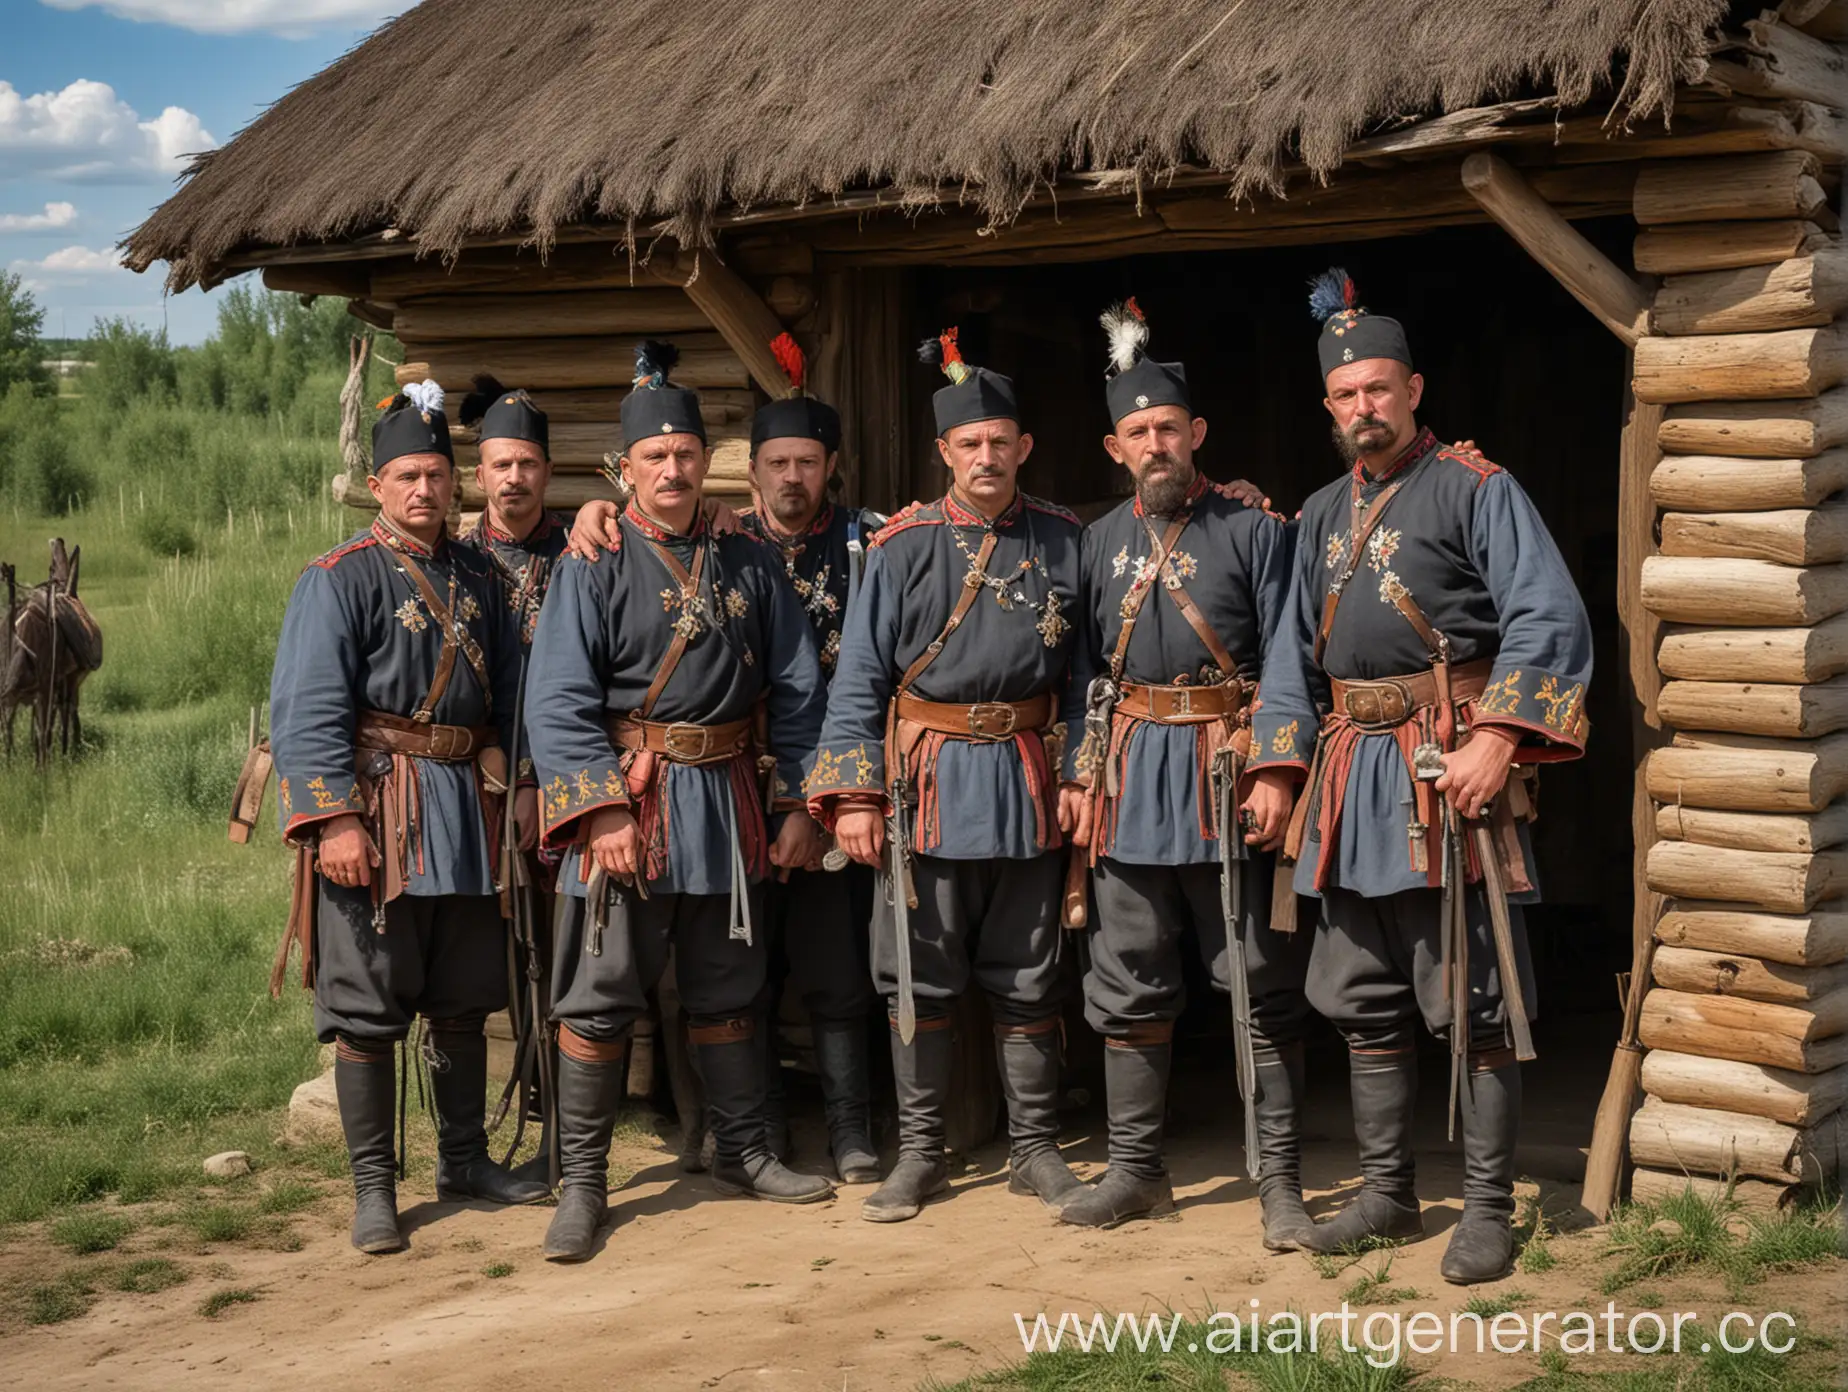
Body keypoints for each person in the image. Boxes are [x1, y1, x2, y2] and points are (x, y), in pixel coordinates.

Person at [1246, 270, 1593, 1283]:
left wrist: (1499, 739)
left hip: (1448, 765)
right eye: (1347, 394)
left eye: (1381, 389)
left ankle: (1486, 1208)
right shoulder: (1314, 516)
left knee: (1475, 994)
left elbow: (1548, 614)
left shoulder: (1479, 488)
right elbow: (1287, 657)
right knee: (1360, 993)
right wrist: (1278, 765)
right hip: (1350, 778)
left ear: (1414, 389)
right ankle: (1389, 1197)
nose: (1366, 406)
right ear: (1330, 407)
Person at [524, 341, 836, 1263]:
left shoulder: (748, 558)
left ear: (709, 461)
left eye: (687, 454)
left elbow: (799, 685)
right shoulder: (592, 560)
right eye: (654, 457)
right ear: (624, 469)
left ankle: (741, 1152)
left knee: (729, 986)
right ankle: (584, 1186)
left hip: (729, 802)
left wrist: (799, 806)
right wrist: (601, 812)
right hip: (631, 806)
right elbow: (556, 699)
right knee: (600, 992)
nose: (672, 468)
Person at [806, 329, 1085, 1224]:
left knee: (1031, 972)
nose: (987, 458)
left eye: (1001, 443)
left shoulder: (1066, 540)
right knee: (915, 976)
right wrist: (852, 795)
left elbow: (1086, 678)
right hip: (924, 790)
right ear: (945, 454)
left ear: (1024, 448)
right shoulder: (898, 547)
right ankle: (920, 1152)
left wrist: (1081, 775)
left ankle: (1035, 1148)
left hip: (1031, 782)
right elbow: (858, 682)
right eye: (970, 445)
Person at [269, 381, 550, 1255]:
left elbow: (507, 686)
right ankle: (373, 1191)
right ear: (378, 483)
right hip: (380, 814)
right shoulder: (337, 578)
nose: (423, 490)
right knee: (368, 1006)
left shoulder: (478, 574)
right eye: (405, 476)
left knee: (463, 998)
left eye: (434, 474)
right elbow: (307, 710)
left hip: (465, 810)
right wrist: (334, 823)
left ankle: (463, 1162)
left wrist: (508, 761)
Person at [1056, 301, 1312, 1240]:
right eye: (1138, 432)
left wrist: (1276, 768)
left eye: (1169, 428)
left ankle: (1277, 1179)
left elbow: (1290, 652)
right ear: (1114, 446)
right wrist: (1080, 775)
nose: (1155, 443)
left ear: (1195, 434)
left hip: (1224, 770)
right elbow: (1082, 670)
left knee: (1255, 975)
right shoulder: (1091, 545)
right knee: (1125, 977)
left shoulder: (1254, 531)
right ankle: (1135, 1173)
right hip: (1128, 777)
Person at [735, 333, 883, 1184]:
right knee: (740, 971)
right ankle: (749, 1136)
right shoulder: (718, 546)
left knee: (835, 972)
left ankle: (853, 1133)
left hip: (832, 792)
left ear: (831, 465)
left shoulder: (872, 541)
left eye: (808, 461)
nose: (793, 477)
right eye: (778, 462)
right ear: (754, 471)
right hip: (734, 792)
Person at [453, 377, 569, 1185]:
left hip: (568, 788)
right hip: (475, 790)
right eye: (500, 463)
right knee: (480, 953)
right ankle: (503, 1106)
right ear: (479, 471)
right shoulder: (454, 562)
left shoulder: (585, 553)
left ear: (548, 471)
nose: (514, 478)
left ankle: (566, 1106)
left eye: (527, 462)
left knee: (564, 951)